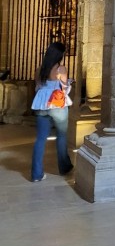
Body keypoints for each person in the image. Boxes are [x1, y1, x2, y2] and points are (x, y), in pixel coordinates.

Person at [30, 41, 74, 182]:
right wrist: (69, 83)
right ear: (59, 55)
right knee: (61, 136)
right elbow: (65, 89)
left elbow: (37, 87)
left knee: (40, 139)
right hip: (57, 106)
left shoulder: (39, 70)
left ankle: (36, 174)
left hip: (41, 106)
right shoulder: (61, 69)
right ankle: (64, 167)